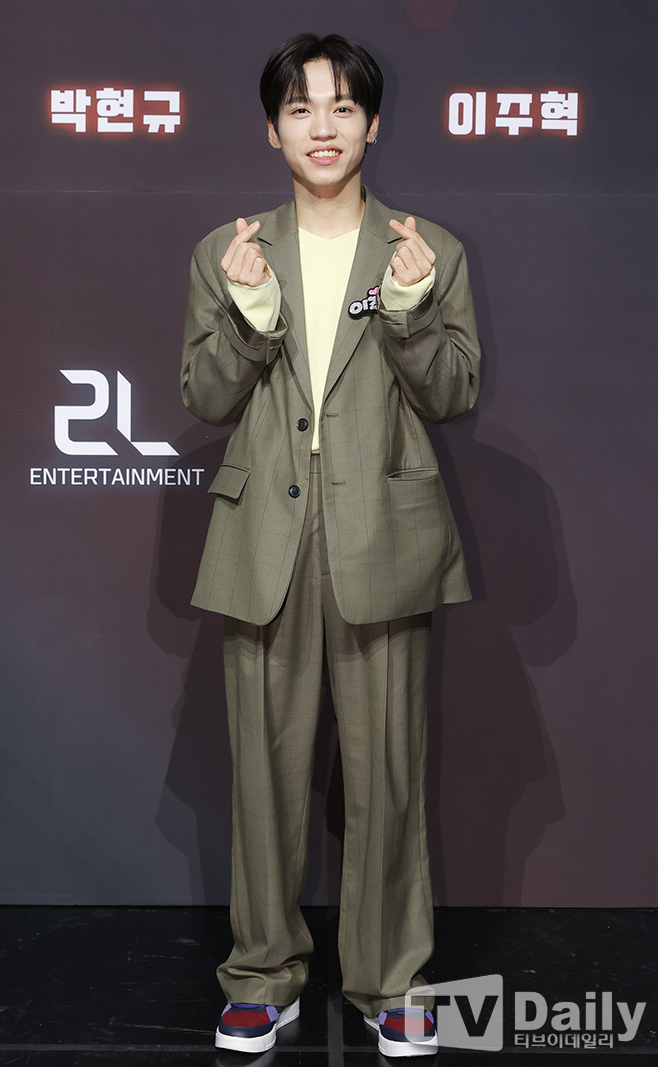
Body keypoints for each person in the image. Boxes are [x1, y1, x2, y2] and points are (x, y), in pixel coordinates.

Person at [181, 32, 480, 1057]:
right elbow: (204, 395)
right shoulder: (228, 252)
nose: (322, 125)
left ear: (372, 124)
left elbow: (453, 391)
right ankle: (262, 974)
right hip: (264, 537)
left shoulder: (424, 249)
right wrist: (250, 318)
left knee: (387, 770)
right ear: (272, 130)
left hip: (383, 536)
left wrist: (408, 310)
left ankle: (391, 980)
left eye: (342, 106)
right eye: (301, 107)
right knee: (262, 774)